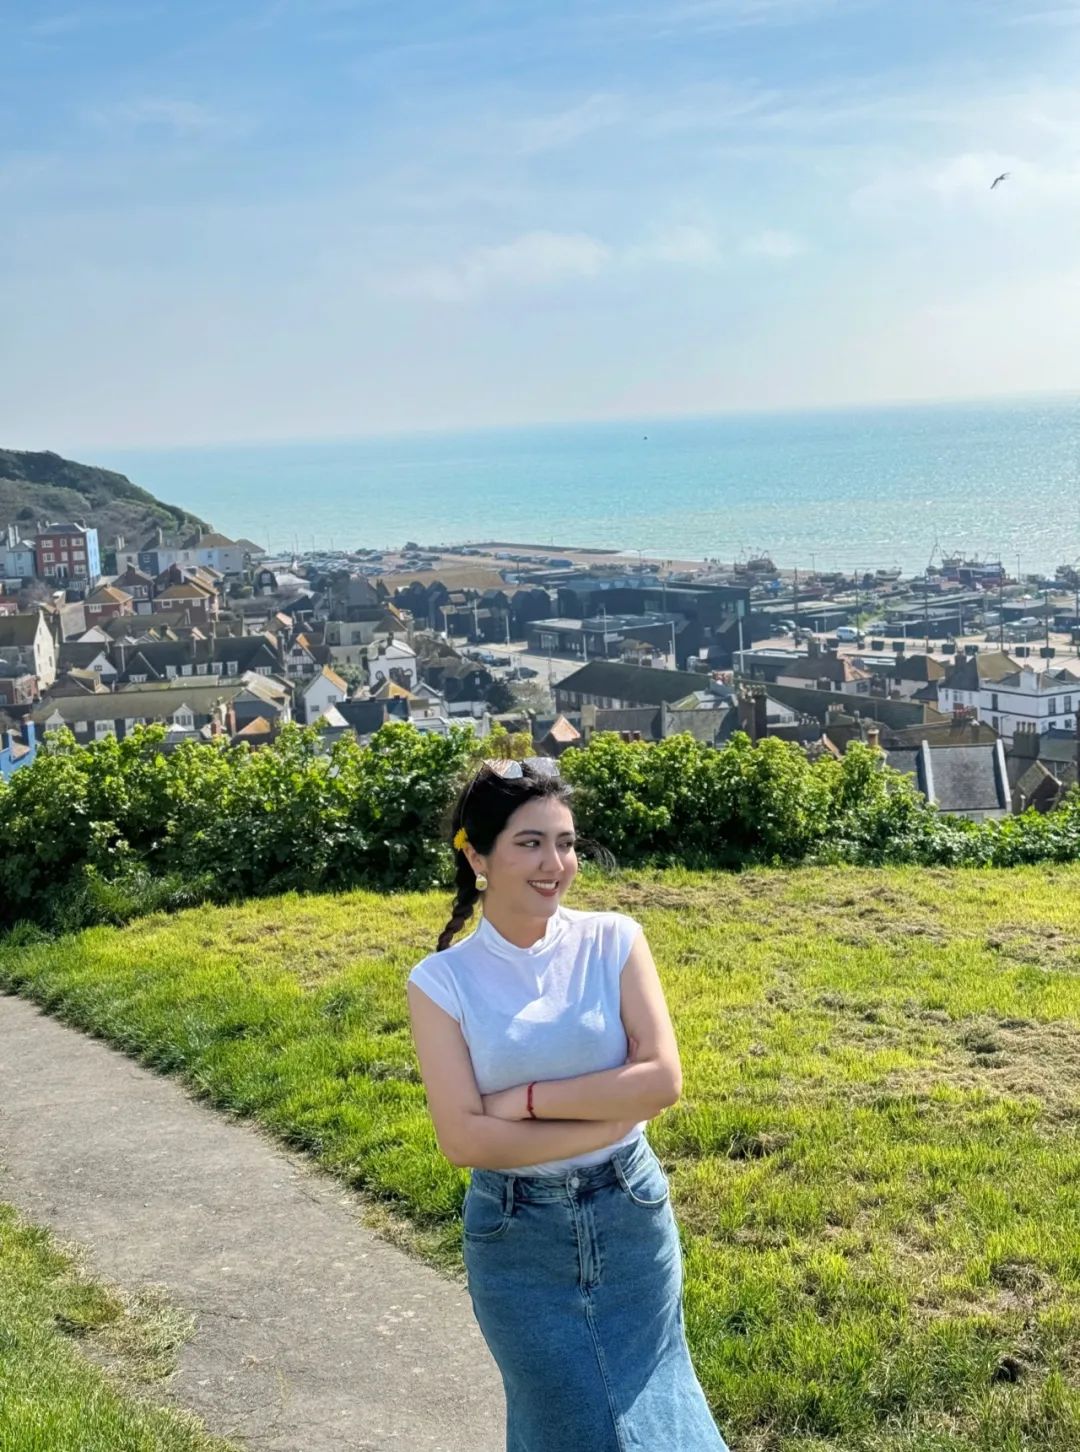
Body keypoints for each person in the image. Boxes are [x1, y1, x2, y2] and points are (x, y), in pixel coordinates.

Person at [407, 758, 731, 1452]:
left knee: (661, 1407)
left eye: (566, 843)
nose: (555, 864)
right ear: (477, 856)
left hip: (630, 1215)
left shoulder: (614, 940)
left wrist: (524, 1103)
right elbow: (465, 1142)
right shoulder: (440, 982)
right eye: (530, 843)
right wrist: (608, 1117)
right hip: (516, 1238)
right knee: (562, 1423)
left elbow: (661, 1081)